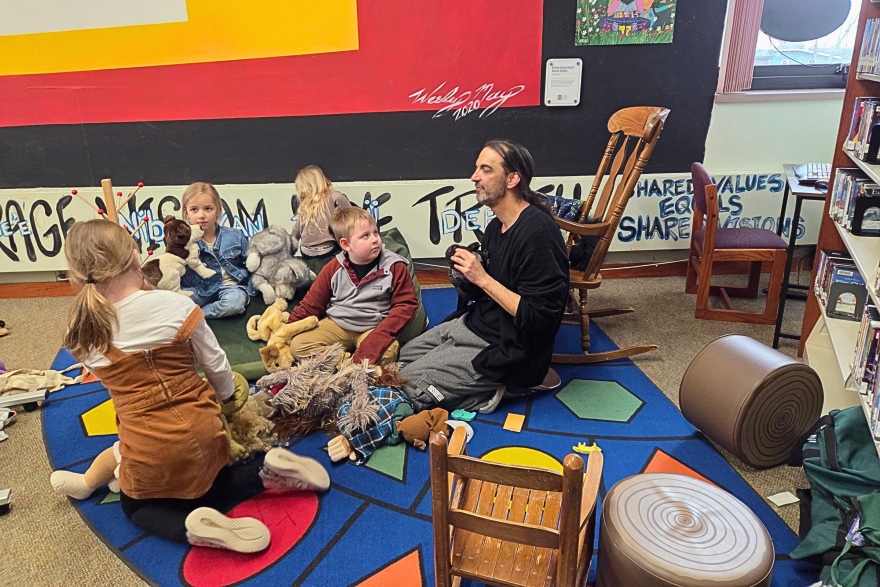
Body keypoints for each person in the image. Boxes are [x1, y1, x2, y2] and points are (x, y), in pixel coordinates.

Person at [54, 220, 330, 551]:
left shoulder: (84, 333)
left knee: (136, 505)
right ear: (135, 255)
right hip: (204, 428)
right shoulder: (178, 306)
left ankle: (191, 528)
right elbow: (217, 366)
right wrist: (228, 399)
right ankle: (264, 471)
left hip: (146, 445)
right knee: (212, 479)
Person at [398, 140, 569, 413]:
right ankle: (465, 384)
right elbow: (485, 291)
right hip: (477, 324)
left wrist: (482, 279)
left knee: (408, 385)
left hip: (507, 346)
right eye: (477, 168)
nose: (474, 176)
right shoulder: (494, 226)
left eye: (486, 170)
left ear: (513, 178)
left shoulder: (538, 234)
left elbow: (539, 320)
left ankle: (503, 387)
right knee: (400, 357)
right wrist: (466, 277)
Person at [283, 206, 418, 365]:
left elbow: (406, 305)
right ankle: (351, 365)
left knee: (388, 353)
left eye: (375, 232)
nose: (375, 239)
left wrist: (379, 336)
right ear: (346, 245)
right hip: (337, 324)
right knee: (298, 346)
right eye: (365, 236)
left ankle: (346, 365)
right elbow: (312, 304)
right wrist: (285, 332)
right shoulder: (333, 268)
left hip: (373, 328)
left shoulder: (395, 266)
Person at [179, 182, 254, 319]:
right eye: (194, 210)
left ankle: (198, 315)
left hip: (230, 286)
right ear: (186, 213)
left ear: (218, 210)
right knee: (176, 304)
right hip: (199, 289)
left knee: (234, 304)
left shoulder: (235, 235)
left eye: (208, 209)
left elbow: (250, 263)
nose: (201, 215)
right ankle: (191, 311)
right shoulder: (183, 241)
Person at [292, 165, 352, 275]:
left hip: (306, 252)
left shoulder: (305, 205)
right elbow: (352, 217)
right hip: (328, 251)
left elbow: (295, 232)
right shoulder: (335, 196)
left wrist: (288, 252)